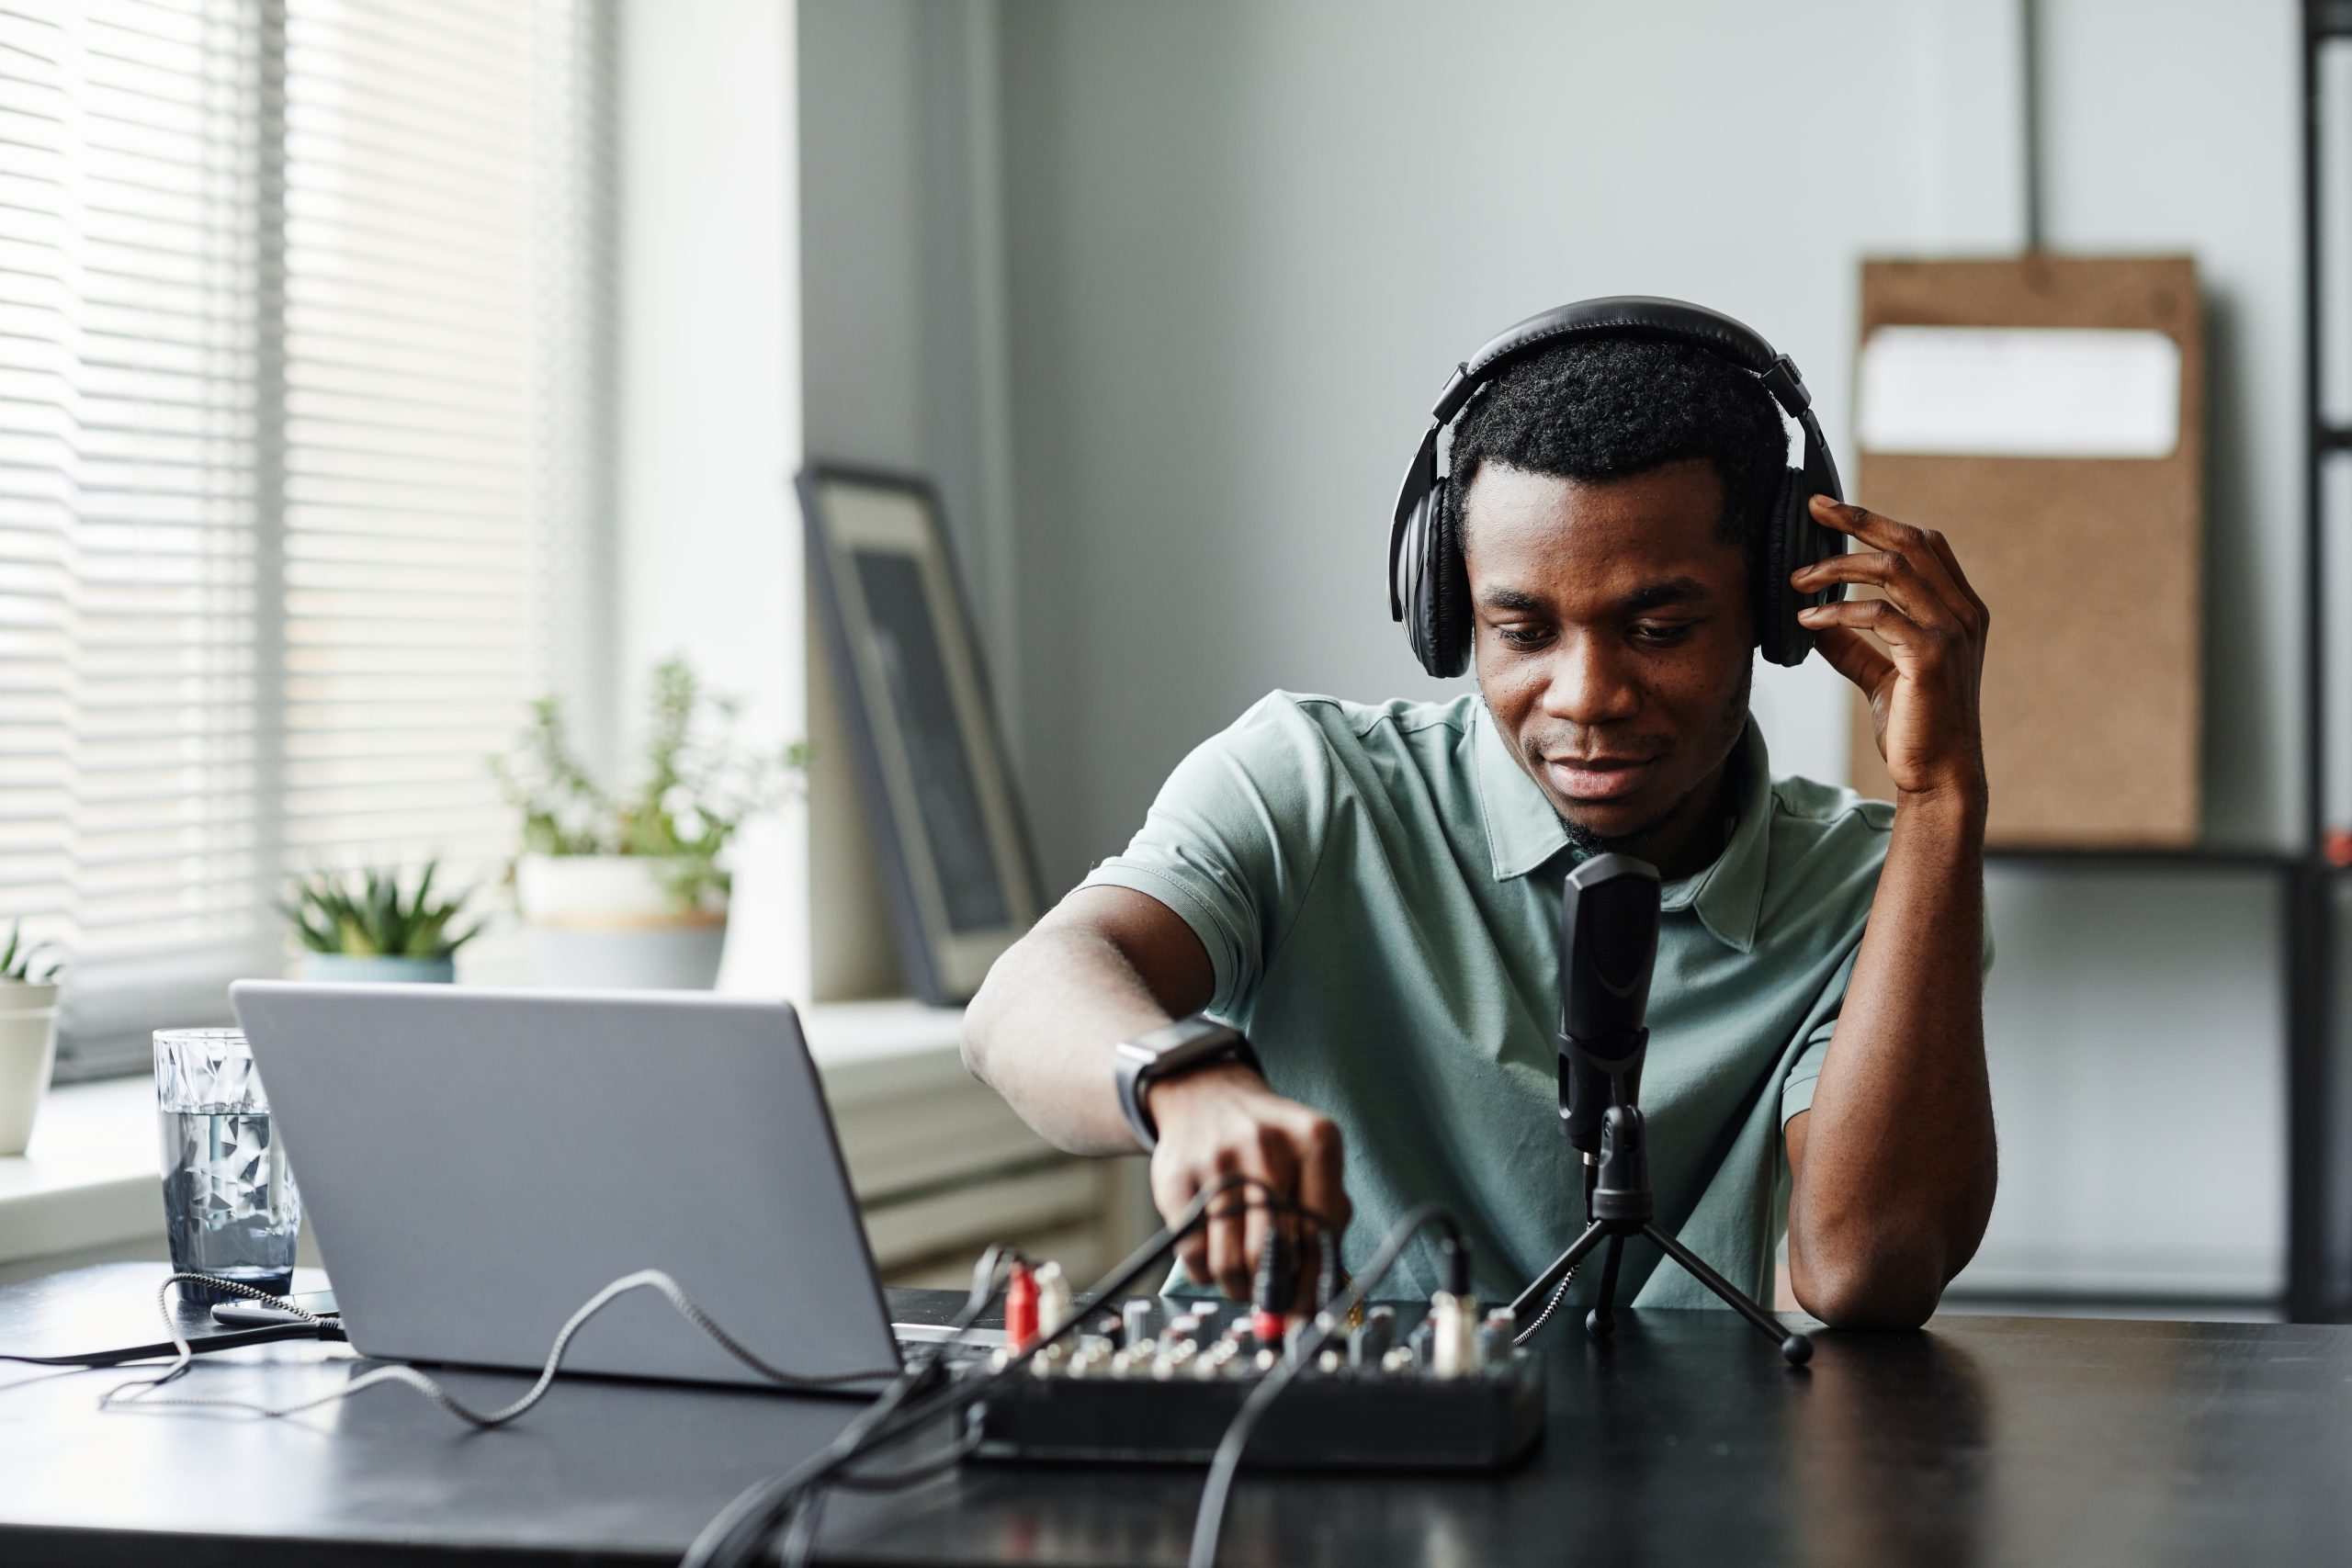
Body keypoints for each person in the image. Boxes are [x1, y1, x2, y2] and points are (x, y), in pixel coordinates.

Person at [962, 320, 1995, 1329]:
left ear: (1778, 608)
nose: (1585, 695)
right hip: (1281, 1458)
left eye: (1659, 629)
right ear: (1449, 615)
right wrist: (1181, 1080)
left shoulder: (1875, 883)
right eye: (1523, 631)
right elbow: (1022, 998)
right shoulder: (1309, 787)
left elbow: (1868, 1267)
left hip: (1677, 1471)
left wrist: (1941, 797)